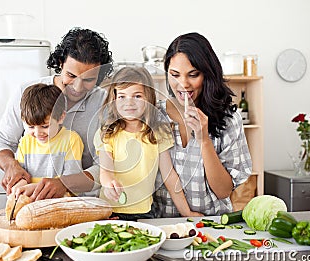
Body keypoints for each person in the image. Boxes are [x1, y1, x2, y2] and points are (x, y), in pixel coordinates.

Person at [0, 27, 113, 200]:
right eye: (71, 75)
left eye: (88, 80)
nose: (77, 88)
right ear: (61, 63)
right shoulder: (26, 93)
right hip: (31, 199)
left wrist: (64, 183)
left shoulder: (105, 103)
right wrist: (11, 165)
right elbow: (2, 142)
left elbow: (106, 166)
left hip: (83, 202)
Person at [153, 32, 252, 217]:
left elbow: (224, 191)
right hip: (162, 227)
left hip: (211, 224)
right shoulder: (154, 115)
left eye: (193, 75)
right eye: (175, 75)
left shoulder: (229, 118)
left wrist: (204, 139)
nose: (183, 84)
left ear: (207, 74)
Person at [94, 66, 197, 221]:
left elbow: (169, 176)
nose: (129, 103)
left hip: (145, 212)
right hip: (110, 211)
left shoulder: (158, 133)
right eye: (122, 96)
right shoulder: (107, 133)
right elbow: (105, 171)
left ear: (148, 99)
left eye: (137, 96)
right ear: (114, 99)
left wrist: (186, 213)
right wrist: (108, 183)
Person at [12, 83, 84, 197]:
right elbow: (22, 175)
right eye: (31, 127)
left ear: (61, 117)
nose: (38, 133)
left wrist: (35, 188)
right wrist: (18, 186)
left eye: (45, 126)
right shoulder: (26, 141)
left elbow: (71, 181)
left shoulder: (71, 140)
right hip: (33, 202)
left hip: (61, 203)